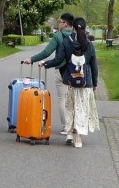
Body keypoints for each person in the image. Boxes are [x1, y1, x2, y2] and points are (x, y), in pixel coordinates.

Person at [39, 17, 99, 148]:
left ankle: (69, 134)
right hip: (85, 82)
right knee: (81, 109)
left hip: (69, 81)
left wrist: (45, 63)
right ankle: (78, 139)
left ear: (72, 28)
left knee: (69, 108)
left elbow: (59, 59)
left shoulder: (67, 42)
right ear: (85, 27)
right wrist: (95, 83)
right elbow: (94, 66)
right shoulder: (89, 44)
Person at [22, 12, 75, 134]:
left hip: (61, 70)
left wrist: (32, 59)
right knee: (74, 99)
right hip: (77, 73)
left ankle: (67, 127)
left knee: (63, 99)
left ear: (65, 24)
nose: (58, 24)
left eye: (60, 22)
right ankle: (75, 125)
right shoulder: (77, 35)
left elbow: (47, 52)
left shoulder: (58, 36)